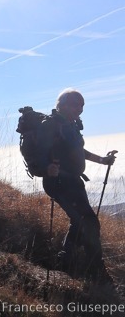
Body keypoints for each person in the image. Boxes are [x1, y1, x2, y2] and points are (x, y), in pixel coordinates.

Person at [38, 88, 117, 282]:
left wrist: (102, 160)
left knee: (80, 221)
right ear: (63, 104)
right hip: (59, 182)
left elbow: (79, 151)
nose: (80, 109)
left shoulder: (69, 126)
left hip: (72, 182)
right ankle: (96, 271)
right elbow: (40, 152)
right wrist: (47, 168)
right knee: (89, 222)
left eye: (82, 106)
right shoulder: (51, 125)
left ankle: (65, 262)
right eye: (76, 105)